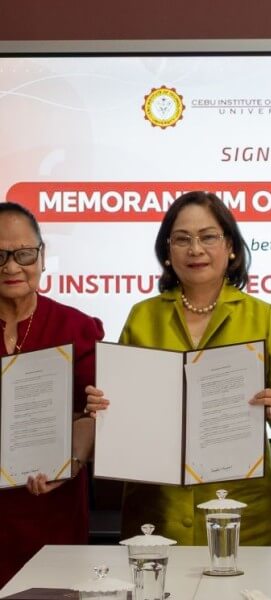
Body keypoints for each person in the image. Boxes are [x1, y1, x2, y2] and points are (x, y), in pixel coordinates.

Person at [86, 191, 271, 545]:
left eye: (208, 237)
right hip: (156, 507)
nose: (195, 249)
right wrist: (104, 407)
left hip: (237, 509)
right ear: (167, 252)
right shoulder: (143, 316)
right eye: (182, 239)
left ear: (230, 246)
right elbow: (122, 406)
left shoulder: (264, 317)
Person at [0, 202, 104, 587]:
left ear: (42, 256)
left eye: (24, 254)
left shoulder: (75, 327)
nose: (12, 267)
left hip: (53, 505)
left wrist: (72, 463)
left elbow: (92, 414)